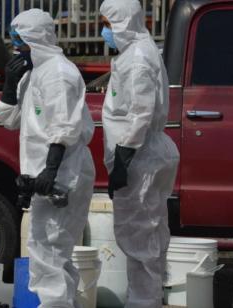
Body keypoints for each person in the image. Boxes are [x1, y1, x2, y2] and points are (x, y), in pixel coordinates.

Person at [0, 9, 95, 308]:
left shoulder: (59, 74)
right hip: (42, 175)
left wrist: (50, 171)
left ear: (34, 39)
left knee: (49, 252)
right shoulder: (34, 72)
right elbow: (11, 120)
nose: (15, 48)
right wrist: (10, 84)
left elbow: (64, 127)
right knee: (49, 253)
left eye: (19, 41)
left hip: (62, 173)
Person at [100, 0, 180, 307]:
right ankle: (149, 299)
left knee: (138, 239)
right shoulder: (140, 50)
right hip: (148, 152)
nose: (105, 31)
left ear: (124, 21)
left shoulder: (136, 59)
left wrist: (123, 158)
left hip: (140, 156)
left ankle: (142, 302)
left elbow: (140, 112)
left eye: (109, 24)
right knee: (152, 232)